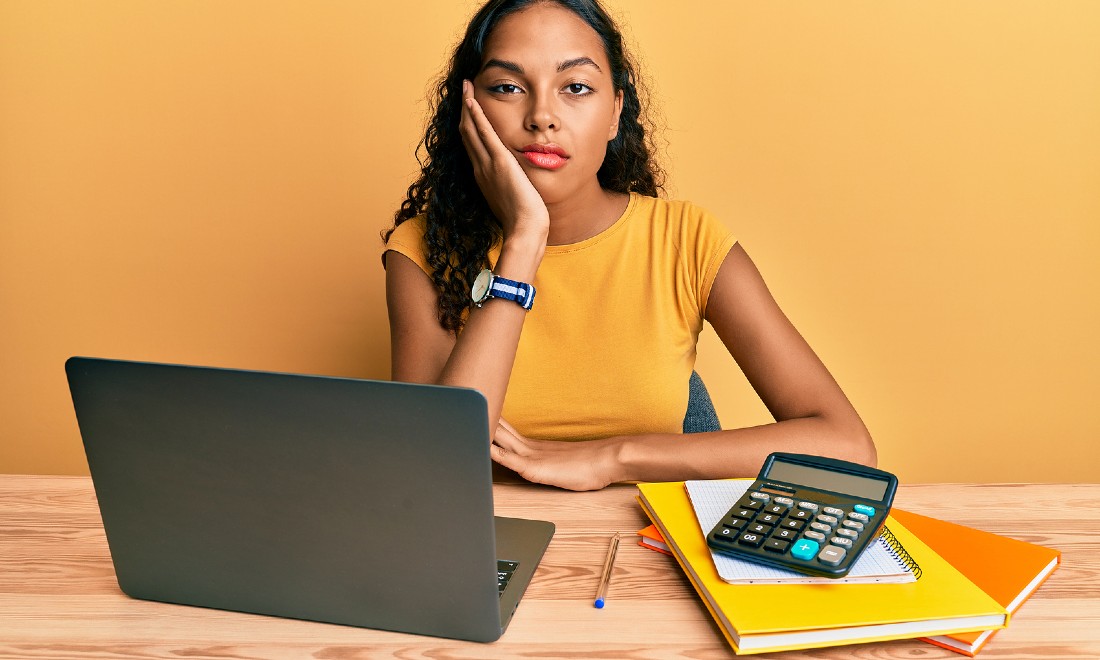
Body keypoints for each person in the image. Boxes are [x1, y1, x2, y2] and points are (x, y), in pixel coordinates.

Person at [382, 0, 876, 491]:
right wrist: (525, 238)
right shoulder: (423, 250)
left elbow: (848, 446)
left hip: (655, 546)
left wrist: (612, 457)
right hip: (497, 551)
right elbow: (434, 474)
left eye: (575, 87)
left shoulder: (685, 240)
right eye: (508, 87)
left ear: (616, 113)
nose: (542, 116)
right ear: (469, 110)